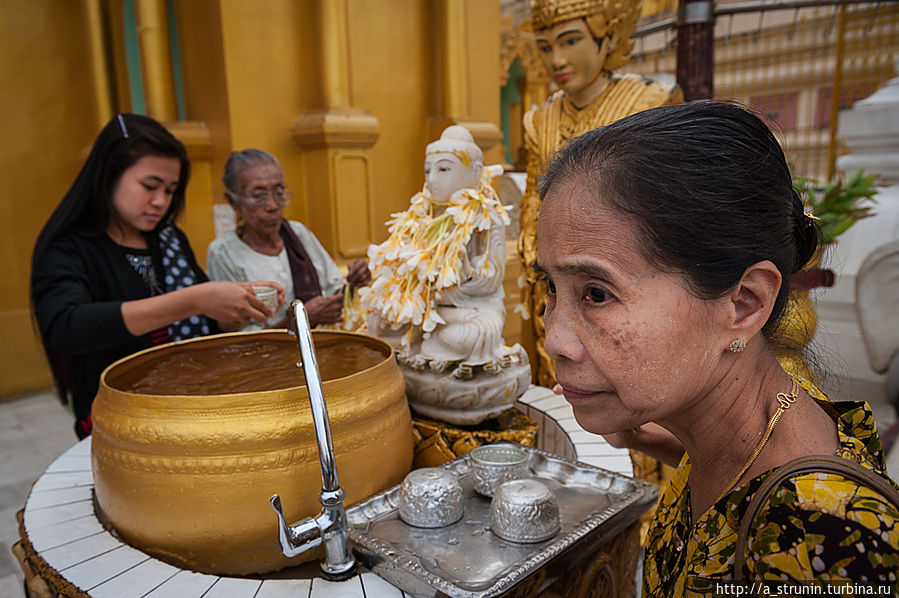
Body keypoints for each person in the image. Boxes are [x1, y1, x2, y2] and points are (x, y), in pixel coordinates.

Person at [535, 101, 899, 590]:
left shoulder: (819, 541)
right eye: (551, 289)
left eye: (597, 294)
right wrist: (653, 438)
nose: (554, 339)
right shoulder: (730, 421)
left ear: (744, 305)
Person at [31, 114, 281, 439]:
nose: (160, 201)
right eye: (149, 186)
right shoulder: (70, 248)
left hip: (188, 414)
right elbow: (65, 326)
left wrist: (234, 309)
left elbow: (201, 328)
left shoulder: (168, 240)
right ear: (108, 175)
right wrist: (194, 300)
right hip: (119, 426)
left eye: (170, 190)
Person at [520, 0, 683, 389]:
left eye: (570, 40)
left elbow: (667, 211)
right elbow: (532, 200)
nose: (556, 59)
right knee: (560, 381)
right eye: (545, 47)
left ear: (608, 36)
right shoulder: (538, 119)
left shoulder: (649, 104)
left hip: (618, 279)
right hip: (552, 280)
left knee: (622, 385)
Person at [207, 149, 370, 330]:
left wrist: (355, 282)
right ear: (233, 202)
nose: (273, 205)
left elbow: (334, 293)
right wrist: (299, 321)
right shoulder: (224, 253)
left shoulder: (298, 233)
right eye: (258, 196)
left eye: (279, 193)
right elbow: (240, 338)